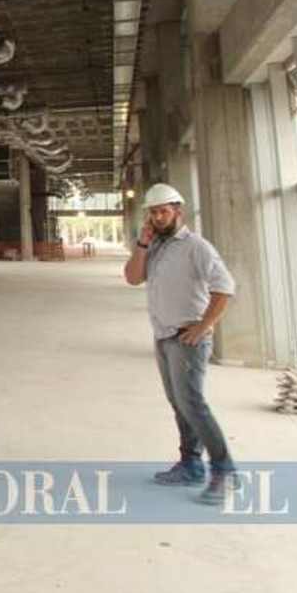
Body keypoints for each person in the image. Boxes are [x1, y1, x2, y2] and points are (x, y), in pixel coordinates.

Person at [123, 183, 237, 504]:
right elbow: (133, 277)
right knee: (179, 403)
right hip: (163, 336)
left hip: (187, 338)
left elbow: (225, 287)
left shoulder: (196, 247)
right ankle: (190, 464)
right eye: (153, 213)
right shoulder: (156, 246)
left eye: (164, 211)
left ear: (178, 212)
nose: (158, 217)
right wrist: (142, 243)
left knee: (193, 404)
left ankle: (225, 472)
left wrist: (204, 326)